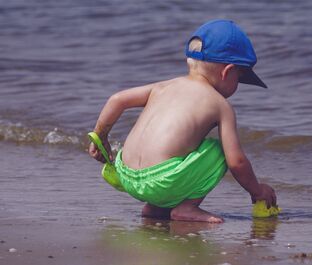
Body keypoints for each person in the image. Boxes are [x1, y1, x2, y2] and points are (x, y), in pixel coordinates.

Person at [89, 19, 277, 223]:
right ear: (227, 72)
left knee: (179, 148)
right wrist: (258, 191)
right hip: (161, 183)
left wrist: (100, 137)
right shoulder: (220, 105)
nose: (238, 85)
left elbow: (116, 100)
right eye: (239, 78)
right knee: (221, 149)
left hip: (126, 175)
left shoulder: (163, 86)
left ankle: (155, 208)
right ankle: (186, 208)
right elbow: (237, 162)